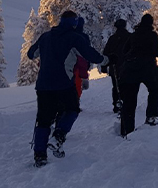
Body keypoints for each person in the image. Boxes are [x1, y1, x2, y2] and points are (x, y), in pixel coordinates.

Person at [27, 10, 108, 168]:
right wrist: (105, 60)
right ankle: (58, 135)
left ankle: (39, 155)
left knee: (43, 120)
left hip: (43, 85)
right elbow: (90, 54)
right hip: (64, 83)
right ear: (74, 23)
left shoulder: (45, 36)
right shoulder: (74, 38)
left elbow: (31, 54)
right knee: (73, 109)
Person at [117, 14, 158, 137]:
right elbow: (156, 52)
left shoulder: (133, 35)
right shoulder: (152, 35)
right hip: (148, 68)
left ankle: (127, 129)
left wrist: (129, 58)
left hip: (131, 68)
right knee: (154, 89)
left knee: (129, 100)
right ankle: (151, 117)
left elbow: (124, 51)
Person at [102, 19, 131, 113]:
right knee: (127, 86)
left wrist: (104, 66)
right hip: (127, 67)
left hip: (114, 67)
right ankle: (126, 103)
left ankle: (117, 104)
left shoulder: (112, 38)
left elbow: (106, 52)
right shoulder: (130, 37)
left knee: (116, 86)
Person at [72, 17, 90, 98]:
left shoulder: (67, 36)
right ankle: (75, 103)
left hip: (68, 65)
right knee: (77, 85)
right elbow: (87, 52)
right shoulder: (84, 37)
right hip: (80, 65)